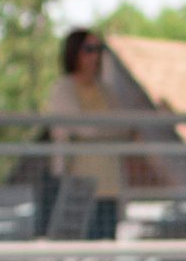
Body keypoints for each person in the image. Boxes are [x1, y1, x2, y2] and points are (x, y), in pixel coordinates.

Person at [43, 29, 131, 239]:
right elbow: (82, 127)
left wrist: (100, 128)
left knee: (106, 247)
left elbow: (124, 126)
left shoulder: (107, 91)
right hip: (78, 186)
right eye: (89, 49)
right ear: (74, 52)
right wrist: (106, 128)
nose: (95, 56)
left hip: (110, 185)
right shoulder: (63, 89)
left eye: (98, 50)